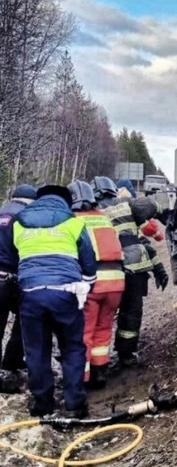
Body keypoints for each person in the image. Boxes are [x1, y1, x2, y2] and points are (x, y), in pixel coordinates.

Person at [13, 185, 97, 417]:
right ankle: (74, 405)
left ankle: (42, 404)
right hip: (66, 291)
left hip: (31, 292)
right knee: (72, 347)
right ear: (65, 202)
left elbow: (13, 257)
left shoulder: (19, 222)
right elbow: (89, 262)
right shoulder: (73, 222)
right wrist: (87, 287)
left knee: (36, 350)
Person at [92, 176, 168, 369]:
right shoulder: (126, 204)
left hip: (104, 271)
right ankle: (126, 355)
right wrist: (163, 212)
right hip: (135, 269)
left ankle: (95, 360)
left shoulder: (89, 213)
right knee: (131, 313)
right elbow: (144, 237)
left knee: (100, 315)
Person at [68, 180, 125, 389]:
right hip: (116, 281)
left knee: (84, 331)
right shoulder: (104, 218)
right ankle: (99, 373)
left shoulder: (73, 220)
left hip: (93, 282)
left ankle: (81, 379)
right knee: (103, 329)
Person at [0, 184, 37, 373]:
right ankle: (11, 362)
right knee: (26, 318)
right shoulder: (25, 217)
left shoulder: (2, 210)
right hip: (13, 276)